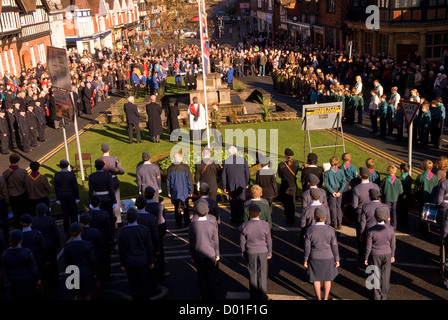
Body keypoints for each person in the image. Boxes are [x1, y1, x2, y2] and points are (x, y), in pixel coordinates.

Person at [118, 207, 155, 300]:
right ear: (136, 217)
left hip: (130, 262)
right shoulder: (144, 229)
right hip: (143, 261)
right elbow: (149, 248)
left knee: (133, 286)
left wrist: (122, 263)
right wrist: (151, 261)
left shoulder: (122, 232)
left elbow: (121, 250)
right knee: (144, 285)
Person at [303, 208, 340, 300]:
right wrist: (337, 259)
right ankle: (326, 298)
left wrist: (305, 260)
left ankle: (318, 298)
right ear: (325, 217)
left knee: (316, 279)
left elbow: (307, 248)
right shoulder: (330, 230)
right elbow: (334, 246)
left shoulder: (310, 230)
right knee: (327, 279)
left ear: (314, 217)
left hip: (314, 257)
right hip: (328, 256)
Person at [239, 203, 272, 300]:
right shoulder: (265, 225)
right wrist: (269, 252)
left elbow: (242, 242)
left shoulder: (244, 225)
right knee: (262, 273)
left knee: (252, 273)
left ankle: (253, 295)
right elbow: (269, 240)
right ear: (259, 213)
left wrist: (243, 252)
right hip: (262, 251)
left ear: (249, 213)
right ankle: (262, 295)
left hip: (250, 251)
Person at [188, 201, 220, 300]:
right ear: (207, 211)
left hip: (198, 254)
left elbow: (191, 242)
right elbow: (215, 240)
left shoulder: (193, 224)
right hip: (210, 253)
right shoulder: (212, 222)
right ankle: (213, 295)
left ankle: (204, 295)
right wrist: (217, 253)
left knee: (201, 276)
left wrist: (192, 255)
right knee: (211, 275)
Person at [364, 208, 396, 300]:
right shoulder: (390, 229)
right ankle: (384, 295)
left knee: (375, 275)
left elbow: (368, 247)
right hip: (387, 253)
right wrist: (393, 255)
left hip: (375, 254)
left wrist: (366, 258)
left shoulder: (371, 230)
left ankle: (376, 296)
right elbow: (393, 244)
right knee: (386, 275)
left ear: (375, 217)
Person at [1, 229, 41, 300]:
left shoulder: (5, 253)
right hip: (28, 280)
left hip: (14, 281)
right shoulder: (27, 252)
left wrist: (6, 281)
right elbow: (33, 267)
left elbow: (4, 269)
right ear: (20, 240)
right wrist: (37, 278)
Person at [135, 195, 161, 297]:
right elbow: (155, 235)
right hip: (149, 247)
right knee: (150, 271)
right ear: (145, 205)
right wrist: (158, 248)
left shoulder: (132, 217)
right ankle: (151, 289)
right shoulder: (150, 218)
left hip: (137, 248)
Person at [63, 222, 97, 300]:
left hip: (74, 272)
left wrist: (69, 274)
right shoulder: (87, 244)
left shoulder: (67, 246)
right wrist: (94, 272)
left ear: (71, 232)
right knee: (87, 293)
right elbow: (92, 260)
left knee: (79, 294)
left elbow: (66, 262)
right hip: (86, 271)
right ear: (81, 232)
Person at [31, 203, 60, 288]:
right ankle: (55, 278)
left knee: (42, 263)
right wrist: (58, 244)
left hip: (39, 245)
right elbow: (55, 233)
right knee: (53, 262)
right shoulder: (50, 219)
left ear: (36, 212)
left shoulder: (33, 221)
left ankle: (45, 279)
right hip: (50, 245)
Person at [20, 214, 48, 293]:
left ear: (21, 223)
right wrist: (47, 259)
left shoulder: (20, 236)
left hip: (26, 263)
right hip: (38, 260)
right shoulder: (36, 234)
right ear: (31, 223)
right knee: (41, 282)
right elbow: (43, 247)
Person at [79, 213, 105, 297]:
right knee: (96, 277)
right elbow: (101, 246)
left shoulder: (79, 233)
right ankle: (97, 294)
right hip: (95, 257)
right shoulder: (95, 231)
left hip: (83, 260)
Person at [222, 146, 250, 223]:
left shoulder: (226, 161)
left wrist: (224, 186)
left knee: (233, 202)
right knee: (241, 201)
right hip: (241, 183)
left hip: (231, 184)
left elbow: (224, 175)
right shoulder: (242, 160)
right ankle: (241, 217)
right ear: (236, 152)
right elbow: (247, 172)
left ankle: (234, 217)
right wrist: (247, 182)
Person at [88, 158, 117, 234]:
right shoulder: (107, 175)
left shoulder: (91, 176)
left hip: (97, 200)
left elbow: (90, 191)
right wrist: (114, 201)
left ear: (95, 166)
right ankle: (111, 235)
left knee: (98, 218)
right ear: (103, 166)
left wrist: (90, 202)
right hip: (107, 199)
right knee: (109, 218)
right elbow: (111, 189)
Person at [144, 186, 167, 279]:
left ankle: (150, 267)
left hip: (146, 233)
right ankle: (161, 269)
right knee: (159, 251)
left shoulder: (144, 206)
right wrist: (164, 232)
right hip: (158, 232)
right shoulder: (159, 206)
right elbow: (162, 220)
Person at [100, 143, 125, 227]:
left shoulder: (99, 160)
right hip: (114, 180)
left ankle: (107, 218)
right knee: (116, 200)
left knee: (106, 200)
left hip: (103, 181)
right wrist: (115, 172)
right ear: (109, 149)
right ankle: (118, 220)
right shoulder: (115, 159)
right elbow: (122, 171)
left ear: (101, 150)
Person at [54, 159, 80, 236]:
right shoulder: (72, 174)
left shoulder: (57, 175)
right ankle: (75, 229)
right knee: (73, 214)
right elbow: (75, 187)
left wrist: (58, 198)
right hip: (71, 195)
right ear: (67, 166)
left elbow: (56, 188)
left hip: (62, 196)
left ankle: (67, 231)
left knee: (65, 214)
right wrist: (77, 197)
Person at [3, 153, 28, 229]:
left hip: (12, 196)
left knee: (16, 215)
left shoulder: (5, 173)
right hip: (22, 195)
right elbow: (26, 185)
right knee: (24, 213)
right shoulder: (23, 171)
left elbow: (5, 187)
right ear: (18, 160)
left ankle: (18, 229)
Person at [167, 153, 193, 226]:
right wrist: (191, 191)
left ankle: (178, 222)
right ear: (181, 158)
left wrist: (169, 191)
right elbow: (190, 181)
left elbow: (168, 181)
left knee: (177, 207)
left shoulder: (170, 168)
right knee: (185, 207)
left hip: (175, 191)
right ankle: (187, 221)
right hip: (184, 191)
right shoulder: (186, 168)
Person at [414, 159, 439, 233]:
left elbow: (416, 188)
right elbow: (436, 188)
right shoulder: (435, 177)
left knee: (421, 213)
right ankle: (428, 227)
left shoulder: (420, 176)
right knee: (429, 213)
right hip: (431, 198)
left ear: (423, 167)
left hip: (422, 198)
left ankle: (421, 227)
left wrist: (416, 196)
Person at [324, 156, 347, 230]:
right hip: (339, 190)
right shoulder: (341, 171)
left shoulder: (327, 173)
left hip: (332, 191)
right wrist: (340, 191)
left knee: (332, 207)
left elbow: (327, 184)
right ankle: (339, 223)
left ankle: (334, 223)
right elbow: (344, 182)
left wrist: (332, 192)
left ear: (330, 163)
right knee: (338, 207)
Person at [278, 148, 300, 224]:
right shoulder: (296, 164)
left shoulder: (281, 165)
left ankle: (288, 217)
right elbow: (296, 173)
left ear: (285, 155)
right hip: (293, 185)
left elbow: (280, 175)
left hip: (285, 185)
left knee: (286, 203)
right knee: (292, 202)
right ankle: (292, 216)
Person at [380, 165, 403, 230]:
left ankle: (387, 224)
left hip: (387, 198)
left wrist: (382, 196)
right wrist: (402, 195)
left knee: (386, 212)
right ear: (395, 171)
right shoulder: (398, 180)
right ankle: (394, 225)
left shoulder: (384, 180)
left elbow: (382, 190)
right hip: (395, 198)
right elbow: (400, 190)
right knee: (394, 212)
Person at [0, 175, 8, 242]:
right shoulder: (1, 179)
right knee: (4, 220)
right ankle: (6, 237)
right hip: (1, 202)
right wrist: (7, 201)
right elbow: (4, 192)